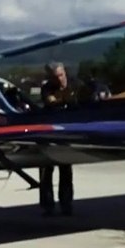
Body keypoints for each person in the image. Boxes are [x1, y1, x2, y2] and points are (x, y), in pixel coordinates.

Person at [37, 61, 74, 216]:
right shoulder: (47, 88)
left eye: (61, 75)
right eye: (56, 76)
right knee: (46, 171)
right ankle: (47, 205)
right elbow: (50, 101)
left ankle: (66, 204)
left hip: (66, 133)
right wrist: (67, 98)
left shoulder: (74, 84)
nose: (59, 79)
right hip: (49, 131)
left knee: (66, 170)